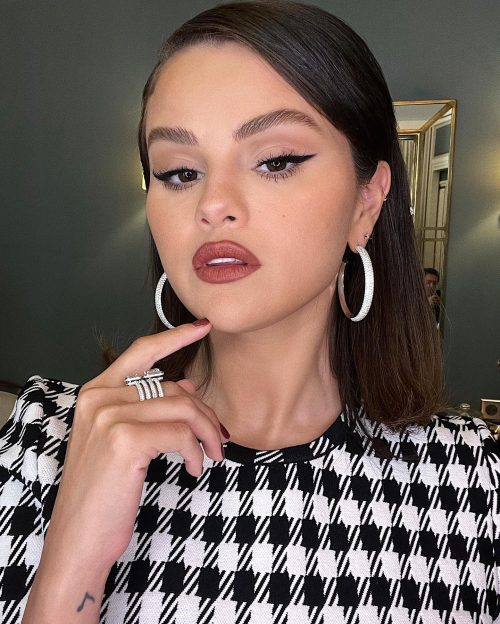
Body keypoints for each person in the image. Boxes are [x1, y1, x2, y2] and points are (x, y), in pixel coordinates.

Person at [0, 2, 498, 622]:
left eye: (276, 161)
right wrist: (74, 556)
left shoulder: (471, 478)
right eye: (179, 172)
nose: (213, 204)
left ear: (366, 201)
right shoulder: (46, 440)